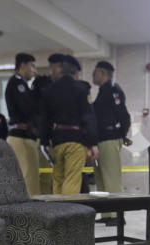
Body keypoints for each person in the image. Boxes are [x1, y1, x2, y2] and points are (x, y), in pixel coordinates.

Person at [40, 55, 98, 194]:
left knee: (58, 179)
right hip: (76, 141)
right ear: (77, 73)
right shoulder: (82, 88)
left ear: (60, 71)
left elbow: (45, 119)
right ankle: (69, 213)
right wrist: (92, 143)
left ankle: (58, 213)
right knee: (72, 179)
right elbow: (88, 117)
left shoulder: (49, 90)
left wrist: (45, 142)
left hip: (57, 140)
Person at [92, 60, 131, 223]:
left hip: (110, 138)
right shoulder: (102, 91)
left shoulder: (114, 90)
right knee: (101, 179)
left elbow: (124, 116)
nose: (93, 75)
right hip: (100, 139)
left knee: (112, 178)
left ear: (102, 73)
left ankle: (118, 215)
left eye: (95, 72)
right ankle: (107, 213)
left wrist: (122, 135)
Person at [5, 52, 41, 194]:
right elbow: (28, 108)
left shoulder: (22, 83)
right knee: (28, 180)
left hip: (24, 136)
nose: (35, 70)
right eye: (32, 66)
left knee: (30, 178)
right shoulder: (17, 83)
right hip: (21, 137)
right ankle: (30, 214)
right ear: (23, 65)